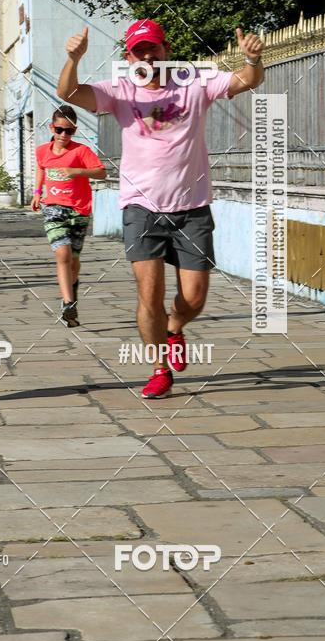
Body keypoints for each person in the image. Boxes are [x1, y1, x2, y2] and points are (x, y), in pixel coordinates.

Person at [57, 21, 264, 397]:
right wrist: (73, 58)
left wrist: (252, 60)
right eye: (139, 51)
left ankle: (173, 330)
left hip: (192, 207)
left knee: (195, 298)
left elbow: (246, 81)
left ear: (166, 50)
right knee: (149, 292)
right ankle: (158, 368)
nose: (147, 56)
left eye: (153, 48)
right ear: (129, 57)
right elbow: (69, 92)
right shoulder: (120, 91)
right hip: (141, 208)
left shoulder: (193, 84)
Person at [31, 104, 106, 327]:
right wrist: (37, 192)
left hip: (79, 210)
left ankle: (71, 289)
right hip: (53, 207)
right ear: (52, 128)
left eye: (69, 131)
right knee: (62, 254)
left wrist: (78, 171)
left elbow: (102, 172)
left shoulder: (81, 151)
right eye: (59, 130)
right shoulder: (42, 150)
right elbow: (41, 168)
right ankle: (68, 304)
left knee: (73, 260)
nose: (64, 135)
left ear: (74, 130)